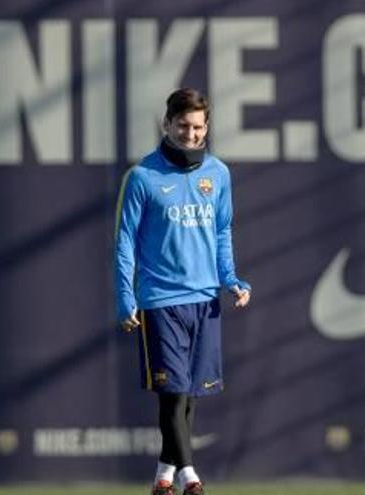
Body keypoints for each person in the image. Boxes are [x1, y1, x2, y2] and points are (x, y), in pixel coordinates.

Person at [113, 88, 250, 495]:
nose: (191, 134)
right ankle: (190, 476)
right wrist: (126, 297)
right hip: (159, 300)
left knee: (189, 397)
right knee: (172, 394)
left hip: (204, 300)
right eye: (183, 126)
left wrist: (231, 280)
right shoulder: (142, 177)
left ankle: (162, 478)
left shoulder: (218, 174)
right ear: (166, 125)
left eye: (198, 127)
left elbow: (222, 231)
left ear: (207, 128)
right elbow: (124, 242)